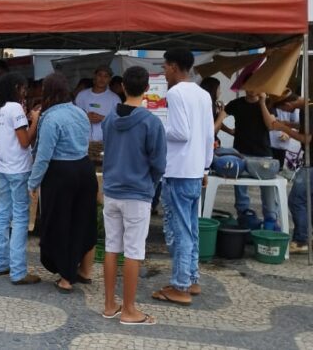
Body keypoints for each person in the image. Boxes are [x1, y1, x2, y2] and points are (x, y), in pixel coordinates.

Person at [101, 66, 166, 325]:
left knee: (111, 246)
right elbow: (159, 163)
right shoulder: (151, 122)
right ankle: (128, 309)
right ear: (147, 89)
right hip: (138, 192)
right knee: (133, 251)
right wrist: (150, 182)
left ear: (123, 87)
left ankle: (109, 305)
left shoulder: (108, 118)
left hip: (112, 190)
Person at [152, 49, 214, 306]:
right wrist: (206, 168)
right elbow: (209, 135)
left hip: (178, 170)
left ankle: (180, 285)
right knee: (191, 227)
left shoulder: (176, 92)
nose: (164, 71)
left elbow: (180, 132)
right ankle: (191, 278)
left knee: (180, 230)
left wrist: (157, 125)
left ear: (175, 67)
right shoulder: (203, 94)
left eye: (165, 67)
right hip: (195, 168)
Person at [28, 73, 96, 292]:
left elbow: (44, 155)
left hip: (61, 173)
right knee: (82, 221)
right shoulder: (80, 113)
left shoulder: (50, 117)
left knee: (60, 224)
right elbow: (84, 143)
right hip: (85, 170)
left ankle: (66, 278)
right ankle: (84, 271)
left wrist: (32, 182)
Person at [0, 73, 41, 285]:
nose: (25, 92)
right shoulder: (15, 108)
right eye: (23, 88)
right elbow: (24, 141)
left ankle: (1, 263)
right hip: (19, 168)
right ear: (17, 87)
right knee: (20, 218)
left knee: (2, 213)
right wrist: (35, 121)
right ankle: (18, 271)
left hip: (2, 166)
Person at [216, 89, 278, 227]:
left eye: (256, 86)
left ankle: (271, 219)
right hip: (241, 153)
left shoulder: (267, 103)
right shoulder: (236, 103)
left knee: (268, 190)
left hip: (264, 153)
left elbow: (270, 126)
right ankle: (244, 215)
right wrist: (221, 128)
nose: (252, 90)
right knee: (240, 188)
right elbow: (221, 116)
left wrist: (262, 103)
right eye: (249, 86)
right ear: (244, 87)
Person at [74, 66, 121, 142]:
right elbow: (74, 118)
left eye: (106, 76)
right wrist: (86, 117)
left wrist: (102, 118)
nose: (102, 79)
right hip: (83, 141)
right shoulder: (82, 95)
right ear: (94, 77)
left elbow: (119, 122)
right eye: (100, 75)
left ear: (109, 80)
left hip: (106, 142)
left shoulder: (115, 99)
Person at [199, 77, 233, 146]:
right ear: (213, 90)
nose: (220, 92)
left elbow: (215, 124)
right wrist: (221, 117)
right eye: (219, 89)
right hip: (208, 146)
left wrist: (230, 131)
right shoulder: (207, 105)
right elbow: (211, 132)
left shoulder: (211, 104)